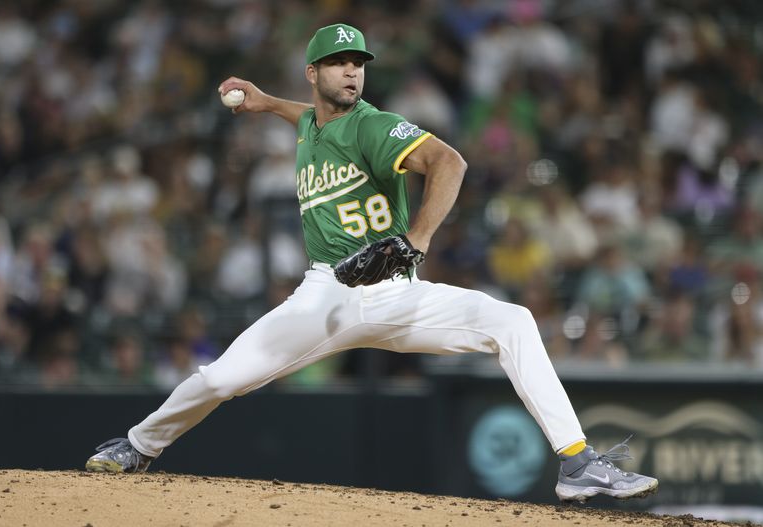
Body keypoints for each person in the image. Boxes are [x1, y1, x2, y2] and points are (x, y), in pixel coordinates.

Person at [86, 23, 658, 503]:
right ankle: (138, 446)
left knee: (513, 322)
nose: (351, 72)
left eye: (357, 62)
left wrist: (418, 238)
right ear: (314, 74)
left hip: (398, 292)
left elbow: (449, 163)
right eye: (337, 63)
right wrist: (265, 104)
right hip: (326, 298)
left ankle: (577, 463)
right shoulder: (313, 124)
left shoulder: (373, 124)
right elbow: (308, 120)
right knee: (220, 378)